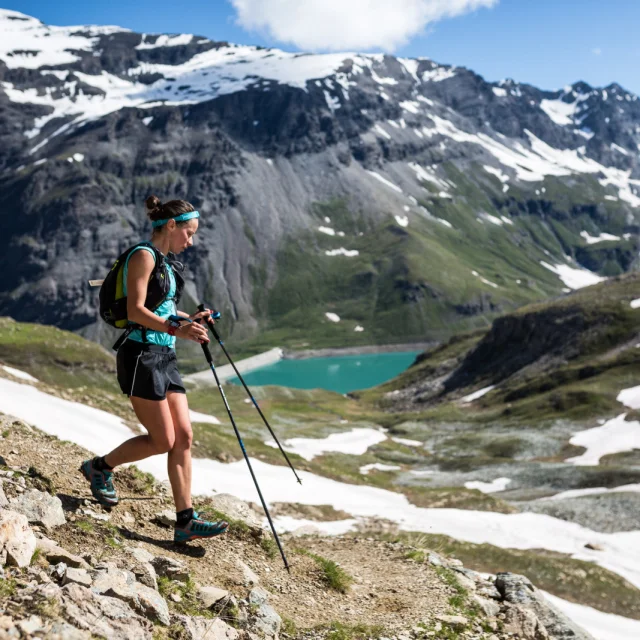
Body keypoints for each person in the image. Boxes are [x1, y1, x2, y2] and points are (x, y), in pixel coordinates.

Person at [80, 196, 229, 543]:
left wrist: (190, 320)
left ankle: (185, 520)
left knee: (185, 437)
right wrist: (177, 328)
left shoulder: (166, 263)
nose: (190, 241)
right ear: (172, 226)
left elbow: (162, 311)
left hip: (165, 355)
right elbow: (135, 311)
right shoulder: (144, 256)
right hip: (141, 356)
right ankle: (99, 468)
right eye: (188, 233)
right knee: (163, 440)